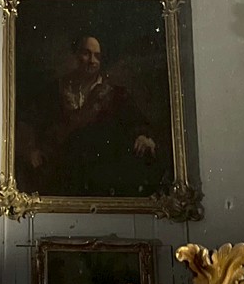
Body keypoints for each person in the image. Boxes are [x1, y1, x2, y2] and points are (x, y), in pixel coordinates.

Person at [18, 32, 164, 198]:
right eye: (86, 53)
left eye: (97, 56)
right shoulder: (56, 89)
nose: (92, 61)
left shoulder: (116, 94)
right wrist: (31, 149)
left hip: (100, 173)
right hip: (60, 170)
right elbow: (29, 121)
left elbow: (137, 122)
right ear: (76, 55)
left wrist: (143, 136)